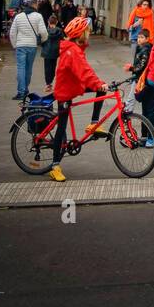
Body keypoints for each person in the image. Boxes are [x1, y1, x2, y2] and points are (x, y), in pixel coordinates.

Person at [49, 16, 110, 183]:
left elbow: (85, 70)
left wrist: (98, 84)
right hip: (65, 92)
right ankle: (55, 166)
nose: (89, 34)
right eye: (87, 31)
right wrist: (97, 84)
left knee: (100, 88)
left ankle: (93, 123)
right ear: (80, 33)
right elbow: (84, 72)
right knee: (61, 129)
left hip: (74, 86)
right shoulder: (72, 51)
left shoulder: (75, 48)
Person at [9, 0, 48, 100]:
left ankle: (21, 91)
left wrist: (15, 45)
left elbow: (12, 33)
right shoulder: (38, 16)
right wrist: (43, 40)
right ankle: (25, 89)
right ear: (35, 5)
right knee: (28, 68)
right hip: (32, 46)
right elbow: (43, 32)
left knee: (21, 68)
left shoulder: (18, 16)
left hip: (20, 46)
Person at [41, 14, 63, 89]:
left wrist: (43, 45)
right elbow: (63, 40)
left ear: (48, 22)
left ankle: (48, 83)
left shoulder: (45, 31)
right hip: (55, 52)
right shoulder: (59, 31)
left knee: (47, 68)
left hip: (46, 52)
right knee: (53, 67)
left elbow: (41, 41)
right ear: (56, 22)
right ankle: (51, 81)